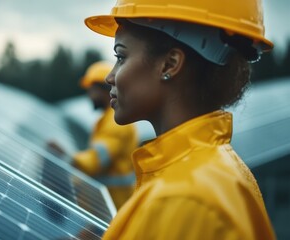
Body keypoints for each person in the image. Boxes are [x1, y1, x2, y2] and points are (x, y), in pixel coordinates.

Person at [84, 0, 276, 239]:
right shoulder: (222, 173)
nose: (110, 77)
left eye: (121, 57)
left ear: (170, 64)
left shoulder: (181, 200)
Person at [48, 61, 138, 210]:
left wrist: (67, 156)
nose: (89, 95)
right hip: (107, 204)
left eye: (91, 90)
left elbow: (97, 161)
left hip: (114, 205)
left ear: (103, 90)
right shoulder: (107, 119)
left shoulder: (116, 123)